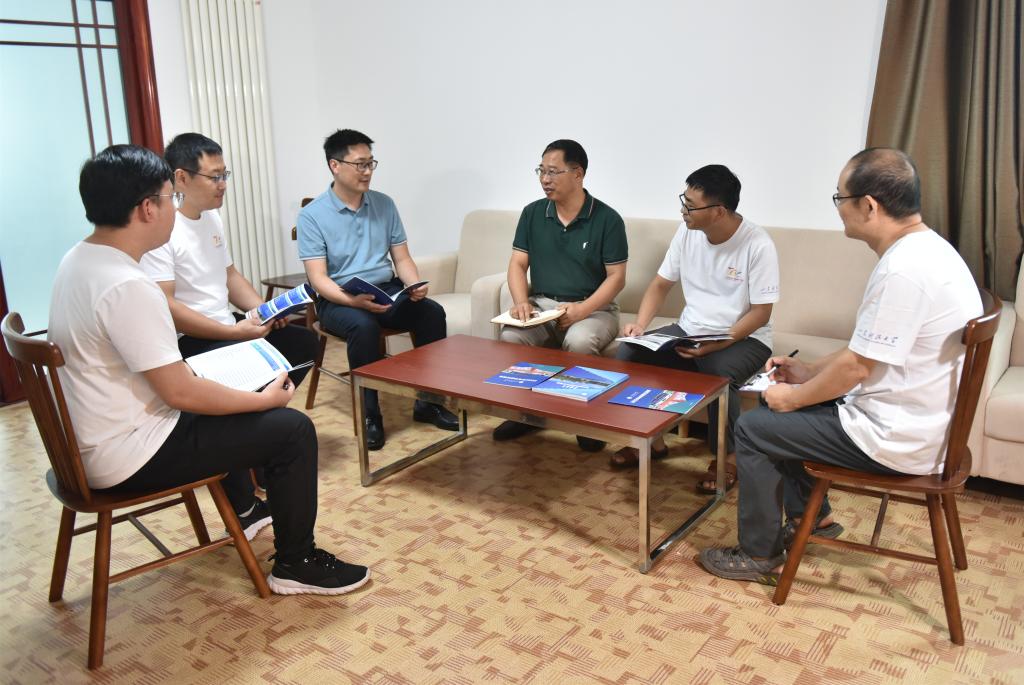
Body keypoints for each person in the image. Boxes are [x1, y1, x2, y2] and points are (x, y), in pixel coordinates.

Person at [50, 144, 370, 595]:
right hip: (128, 452)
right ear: (147, 208)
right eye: (170, 198)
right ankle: (295, 562)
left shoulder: (79, 261)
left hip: (88, 443)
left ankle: (248, 505)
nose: (174, 208)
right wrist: (262, 401)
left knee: (248, 390)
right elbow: (180, 393)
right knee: (292, 430)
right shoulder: (128, 286)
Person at [698, 148, 983, 583]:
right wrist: (810, 373)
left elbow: (857, 369)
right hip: (922, 420)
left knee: (755, 428)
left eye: (839, 198)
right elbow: (865, 351)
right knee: (784, 410)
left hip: (897, 436)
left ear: (868, 205)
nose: (838, 208)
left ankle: (758, 554)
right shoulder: (931, 251)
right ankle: (816, 519)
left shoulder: (903, 271)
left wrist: (793, 399)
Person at [141, 133, 318, 529]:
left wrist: (262, 312)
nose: (222, 185)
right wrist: (234, 333)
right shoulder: (162, 230)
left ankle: (261, 445)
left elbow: (230, 276)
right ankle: (245, 494)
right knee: (238, 386)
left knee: (302, 342)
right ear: (181, 178)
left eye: (225, 175)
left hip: (228, 327)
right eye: (214, 176)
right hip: (193, 340)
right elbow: (167, 307)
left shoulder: (211, 217)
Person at [611, 165, 778, 494]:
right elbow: (660, 284)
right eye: (683, 201)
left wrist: (719, 344)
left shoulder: (757, 244)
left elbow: (761, 313)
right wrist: (640, 326)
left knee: (717, 371)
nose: (683, 210)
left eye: (690, 205)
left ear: (718, 211)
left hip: (745, 337)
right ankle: (651, 441)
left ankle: (728, 458)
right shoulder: (686, 232)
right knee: (630, 352)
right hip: (691, 330)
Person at [297, 129, 458, 451]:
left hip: (385, 290)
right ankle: (370, 414)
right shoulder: (312, 215)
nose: (367, 171)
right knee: (363, 326)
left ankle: (429, 402)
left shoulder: (384, 204)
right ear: (334, 165)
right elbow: (318, 279)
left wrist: (413, 284)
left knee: (431, 313)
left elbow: (402, 258)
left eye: (371, 163)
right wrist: (351, 300)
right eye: (360, 164)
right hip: (338, 298)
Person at [492, 139, 628, 452]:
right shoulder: (533, 213)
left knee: (579, 341)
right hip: (542, 305)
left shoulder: (607, 219)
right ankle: (525, 415)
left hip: (595, 309)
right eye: (541, 171)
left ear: (578, 173)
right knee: (511, 337)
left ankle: (586, 422)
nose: (545, 179)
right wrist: (521, 302)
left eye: (553, 172)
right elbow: (517, 264)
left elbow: (617, 278)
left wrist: (582, 310)